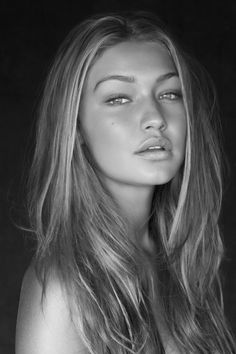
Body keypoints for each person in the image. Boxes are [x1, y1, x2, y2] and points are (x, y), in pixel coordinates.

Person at [15, 11, 236, 354]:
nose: (155, 119)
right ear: (76, 131)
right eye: (119, 98)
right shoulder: (63, 287)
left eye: (170, 94)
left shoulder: (185, 267)